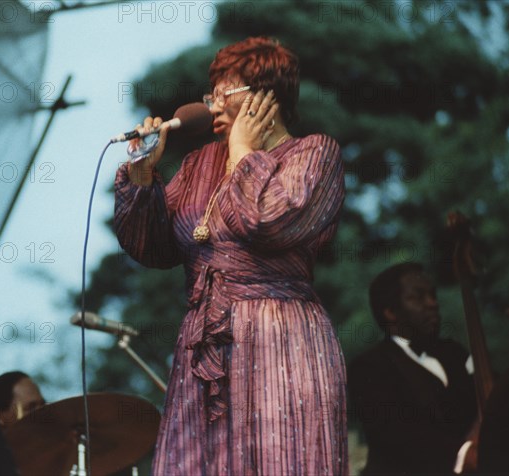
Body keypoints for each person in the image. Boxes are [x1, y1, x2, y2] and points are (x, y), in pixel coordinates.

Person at [113, 37, 347, 475]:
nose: (213, 106)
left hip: (280, 337)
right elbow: (151, 246)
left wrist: (243, 154)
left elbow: (270, 221)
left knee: (282, 458)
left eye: (224, 95)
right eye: (210, 95)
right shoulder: (200, 163)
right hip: (205, 345)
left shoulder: (314, 154)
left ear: (264, 98)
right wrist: (143, 174)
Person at [348, 262, 477, 475]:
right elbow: (397, 434)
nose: (432, 303)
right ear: (390, 312)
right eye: (418, 297)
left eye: (433, 295)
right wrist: (464, 454)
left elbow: (494, 398)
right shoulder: (368, 367)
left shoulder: (456, 353)